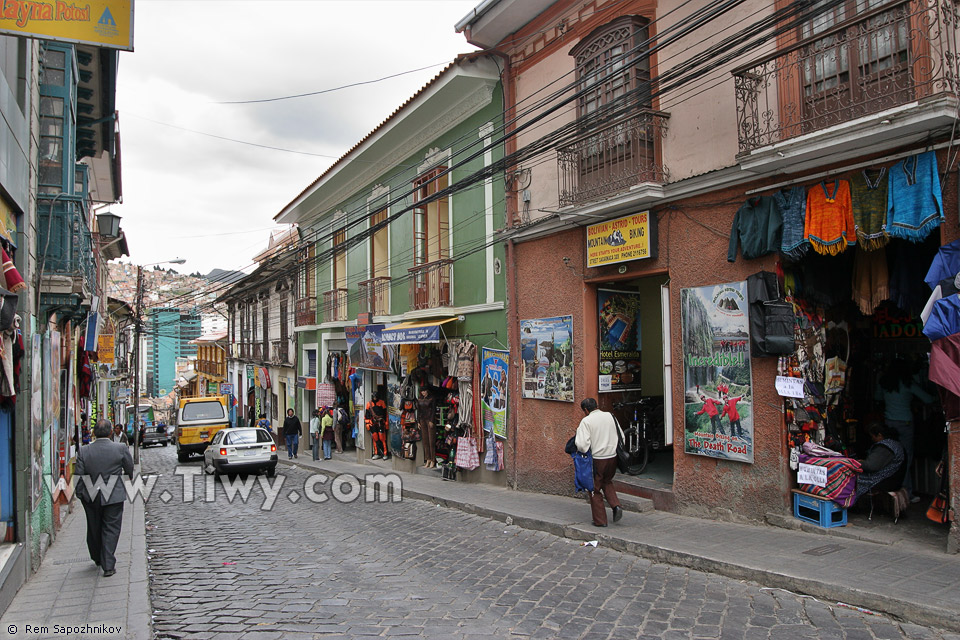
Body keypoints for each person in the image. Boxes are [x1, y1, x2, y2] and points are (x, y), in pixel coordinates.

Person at [75, 419, 134, 577]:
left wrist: (81, 494)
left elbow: (79, 475)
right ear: (110, 432)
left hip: (91, 495)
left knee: (94, 527)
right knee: (111, 528)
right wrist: (129, 478)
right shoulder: (120, 448)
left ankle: (97, 557)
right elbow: (129, 468)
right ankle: (108, 564)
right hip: (113, 494)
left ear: (94, 432)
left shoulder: (84, 450)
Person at [877, 360, 934, 502]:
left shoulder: (885, 383)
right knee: (905, 458)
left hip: (889, 424)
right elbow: (928, 399)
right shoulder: (908, 384)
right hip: (905, 424)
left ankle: (889, 489)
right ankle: (906, 492)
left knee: (890, 456)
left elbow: (877, 397)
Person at [574, 397, 622, 527]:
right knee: (606, 481)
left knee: (594, 488)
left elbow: (582, 445)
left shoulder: (586, 421)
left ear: (585, 410)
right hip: (612, 456)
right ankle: (616, 505)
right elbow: (621, 435)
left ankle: (600, 520)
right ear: (596, 405)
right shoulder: (610, 416)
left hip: (597, 459)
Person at [853, 421, 907, 504]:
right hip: (893, 479)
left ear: (879, 435)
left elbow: (871, 466)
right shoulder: (895, 444)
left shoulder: (885, 447)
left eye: (872, 436)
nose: (872, 439)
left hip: (884, 481)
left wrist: (856, 462)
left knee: (850, 478)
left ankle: (848, 505)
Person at [417, 388, 437, 468]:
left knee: (431, 440)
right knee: (425, 440)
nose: (423, 393)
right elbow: (419, 410)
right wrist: (418, 421)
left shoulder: (431, 398)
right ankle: (427, 459)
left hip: (429, 419)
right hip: (422, 419)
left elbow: (433, 410)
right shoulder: (420, 399)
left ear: (427, 391)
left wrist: (432, 420)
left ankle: (433, 459)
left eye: (424, 391)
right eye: (422, 391)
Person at [365, 393, 389, 460]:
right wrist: (368, 423)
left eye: (376, 397)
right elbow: (366, 414)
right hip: (373, 423)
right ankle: (376, 453)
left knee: (382, 438)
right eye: (374, 397)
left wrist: (386, 423)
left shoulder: (382, 403)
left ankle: (385, 453)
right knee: (375, 437)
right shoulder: (368, 404)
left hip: (381, 422)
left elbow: (385, 413)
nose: (375, 398)